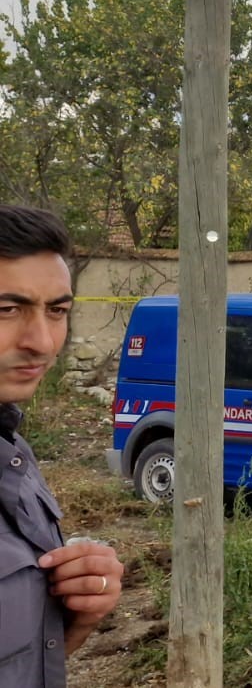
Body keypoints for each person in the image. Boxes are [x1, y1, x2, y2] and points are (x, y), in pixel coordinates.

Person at [0, 205, 124, 682]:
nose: (43, 342)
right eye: (7, 309)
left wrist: (80, 614)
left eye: (57, 311)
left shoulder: (13, 454)